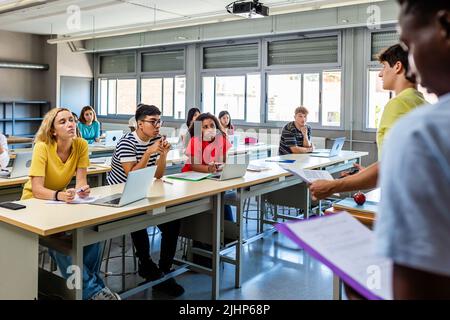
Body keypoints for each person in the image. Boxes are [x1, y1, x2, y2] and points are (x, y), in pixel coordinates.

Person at [373, 0, 450, 299]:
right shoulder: (422, 105)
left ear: (444, 25)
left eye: (411, 42)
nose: (414, 66)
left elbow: (416, 285)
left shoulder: (420, 131)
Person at [21, 108, 119, 300]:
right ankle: (93, 292)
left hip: (59, 202)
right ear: (53, 130)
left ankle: (89, 289)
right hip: (35, 203)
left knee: (94, 232)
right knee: (60, 239)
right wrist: (59, 195)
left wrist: (82, 190)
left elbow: (81, 180)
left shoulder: (81, 145)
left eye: (72, 120)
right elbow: (37, 189)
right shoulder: (42, 146)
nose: (70, 124)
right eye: (63, 122)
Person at [309, 44, 427, 200]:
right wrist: (365, 173)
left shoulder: (397, 104)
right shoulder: (423, 104)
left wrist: (333, 186)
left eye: (384, 67)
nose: (380, 74)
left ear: (398, 66)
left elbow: (390, 166)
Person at [107, 104, 184, 297]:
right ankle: (146, 263)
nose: (158, 125)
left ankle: (164, 270)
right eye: (153, 121)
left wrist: (163, 155)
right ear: (140, 124)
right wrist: (149, 152)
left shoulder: (157, 139)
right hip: (120, 193)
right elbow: (131, 175)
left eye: (159, 121)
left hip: (142, 190)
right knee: (139, 220)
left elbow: (158, 175)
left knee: (173, 221)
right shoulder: (127, 142)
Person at [182, 112, 234, 222]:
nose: (209, 129)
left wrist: (219, 166)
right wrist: (208, 169)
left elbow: (224, 161)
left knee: (221, 200)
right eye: (205, 127)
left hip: (212, 178)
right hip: (193, 179)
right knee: (216, 201)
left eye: (212, 125)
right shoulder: (195, 140)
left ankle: (226, 234)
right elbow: (194, 165)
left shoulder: (222, 139)